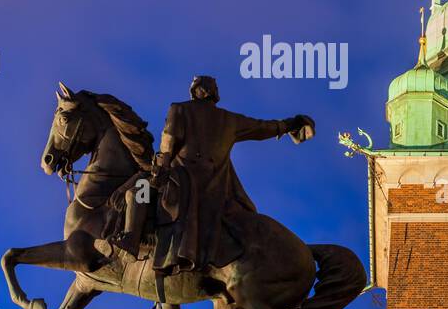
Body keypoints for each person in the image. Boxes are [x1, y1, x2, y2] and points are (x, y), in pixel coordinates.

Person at [112, 76, 313, 285]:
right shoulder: (230, 119)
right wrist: (290, 124)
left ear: (196, 91)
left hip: (182, 180)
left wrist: (160, 169)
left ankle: (131, 239)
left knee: (137, 189)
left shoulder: (179, 109)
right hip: (216, 186)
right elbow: (262, 127)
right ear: (213, 94)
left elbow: (168, 141)